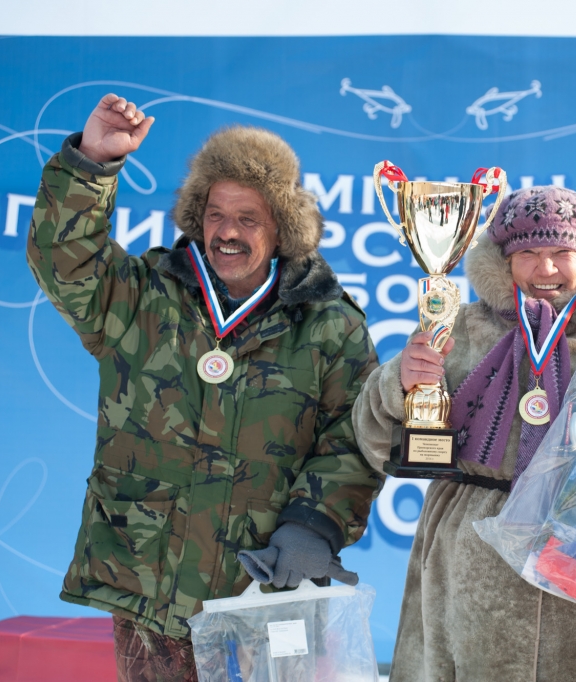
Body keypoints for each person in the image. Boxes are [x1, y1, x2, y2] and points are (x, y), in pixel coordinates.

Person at [27, 94, 379, 681]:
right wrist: (92, 163)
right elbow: (65, 258)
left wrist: (313, 524)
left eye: (248, 219)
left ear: (281, 228)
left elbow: (353, 438)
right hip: (148, 586)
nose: (227, 233)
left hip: (265, 588)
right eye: (215, 215)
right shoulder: (142, 296)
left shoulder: (329, 325)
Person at [351, 186, 576, 681]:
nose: (545, 268)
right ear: (504, 261)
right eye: (527, 252)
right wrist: (398, 384)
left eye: (562, 252)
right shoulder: (457, 329)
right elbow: (374, 442)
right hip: (470, 560)